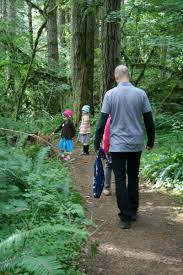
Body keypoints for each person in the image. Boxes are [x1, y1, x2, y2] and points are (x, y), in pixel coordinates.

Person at [94, 65, 155, 229]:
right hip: (136, 144)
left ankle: (125, 217)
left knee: (120, 178)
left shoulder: (110, 95)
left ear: (116, 77)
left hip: (117, 145)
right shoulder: (141, 94)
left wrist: (96, 142)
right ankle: (134, 210)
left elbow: (102, 122)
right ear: (128, 75)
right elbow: (149, 120)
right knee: (133, 176)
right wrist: (151, 141)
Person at [102, 114, 112, 196]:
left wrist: (105, 149)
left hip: (111, 148)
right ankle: (121, 189)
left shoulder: (110, 119)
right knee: (121, 168)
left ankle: (107, 187)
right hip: (123, 147)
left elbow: (106, 138)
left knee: (108, 166)